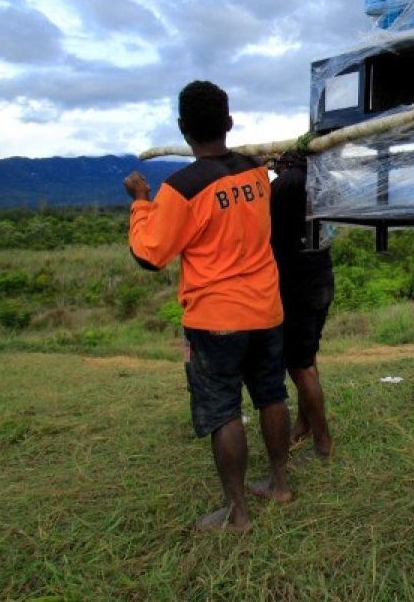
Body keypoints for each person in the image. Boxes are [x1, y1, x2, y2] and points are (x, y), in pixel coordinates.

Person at [124, 80, 292, 534]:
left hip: (216, 319)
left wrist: (141, 204)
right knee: (271, 394)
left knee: (222, 411)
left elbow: (150, 255)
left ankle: (238, 514)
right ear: (230, 122)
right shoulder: (256, 173)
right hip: (266, 308)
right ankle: (279, 483)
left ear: (182, 130)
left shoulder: (180, 189)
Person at [269, 151, 335, 458]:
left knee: (299, 365)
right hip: (321, 277)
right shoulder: (321, 179)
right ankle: (304, 424)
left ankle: (323, 441)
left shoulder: (285, 183)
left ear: (285, 162)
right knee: (306, 357)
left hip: (296, 285)